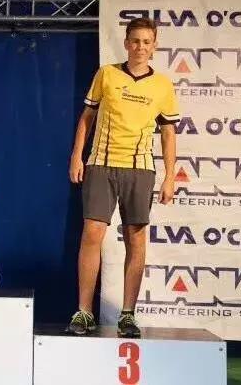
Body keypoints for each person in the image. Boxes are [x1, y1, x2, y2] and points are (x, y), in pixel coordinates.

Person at [66, 17, 179, 337]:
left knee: (136, 238)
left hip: (140, 168)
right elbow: (87, 116)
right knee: (92, 234)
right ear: (127, 43)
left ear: (154, 47)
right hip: (101, 164)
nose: (141, 47)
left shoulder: (163, 85)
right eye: (136, 41)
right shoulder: (107, 74)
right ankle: (84, 311)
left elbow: (168, 133)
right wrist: (77, 155)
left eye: (147, 42)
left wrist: (171, 176)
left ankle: (128, 314)